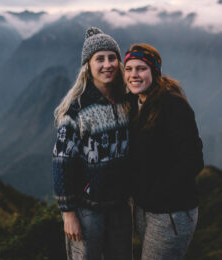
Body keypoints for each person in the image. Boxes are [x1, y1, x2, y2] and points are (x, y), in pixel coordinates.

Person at [52, 27, 132, 260]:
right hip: (88, 208)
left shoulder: (126, 102)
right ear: (88, 65)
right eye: (100, 59)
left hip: (120, 205)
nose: (107, 64)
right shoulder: (76, 110)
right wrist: (68, 214)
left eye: (112, 58)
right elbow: (61, 162)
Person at [124, 43, 204, 260]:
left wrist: (157, 193)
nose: (134, 75)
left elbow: (193, 159)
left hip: (171, 212)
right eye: (129, 69)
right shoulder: (134, 103)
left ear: (154, 71)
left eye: (141, 68)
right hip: (144, 208)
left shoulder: (173, 106)